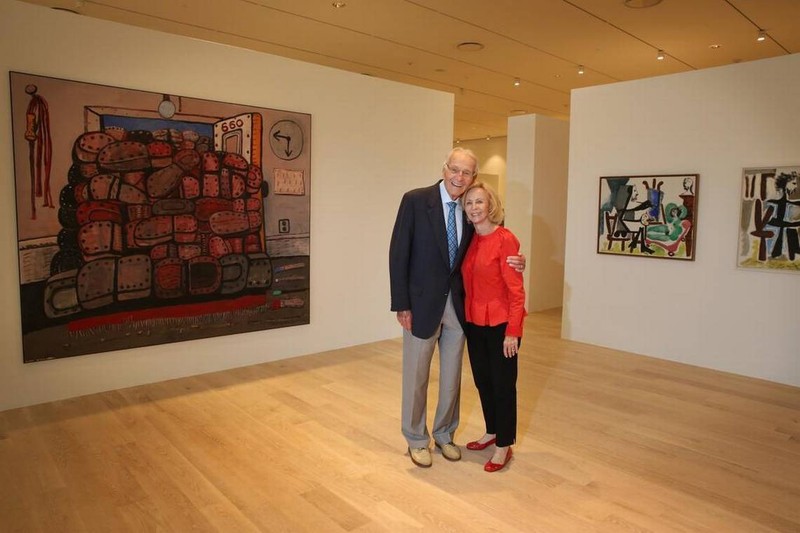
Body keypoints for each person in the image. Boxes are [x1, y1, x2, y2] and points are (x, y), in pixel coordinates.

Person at [389, 147, 524, 468]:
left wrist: (517, 259)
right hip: (420, 306)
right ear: (445, 167)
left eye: (466, 173)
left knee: (451, 378)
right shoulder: (416, 200)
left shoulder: (468, 208)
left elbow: (493, 243)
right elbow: (398, 254)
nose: (458, 177)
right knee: (416, 376)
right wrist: (401, 303)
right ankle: (416, 439)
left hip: (459, 308)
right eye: (455, 169)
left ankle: (445, 434)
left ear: (473, 178)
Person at [461, 181, 526, 473]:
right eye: (469, 202)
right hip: (474, 322)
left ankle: (504, 445)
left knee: (503, 385)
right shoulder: (470, 239)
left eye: (479, 202)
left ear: (491, 206)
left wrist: (513, 331)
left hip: (501, 325)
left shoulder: (505, 239)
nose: (474, 207)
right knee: (483, 381)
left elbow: (517, 291)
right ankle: (491, 431)